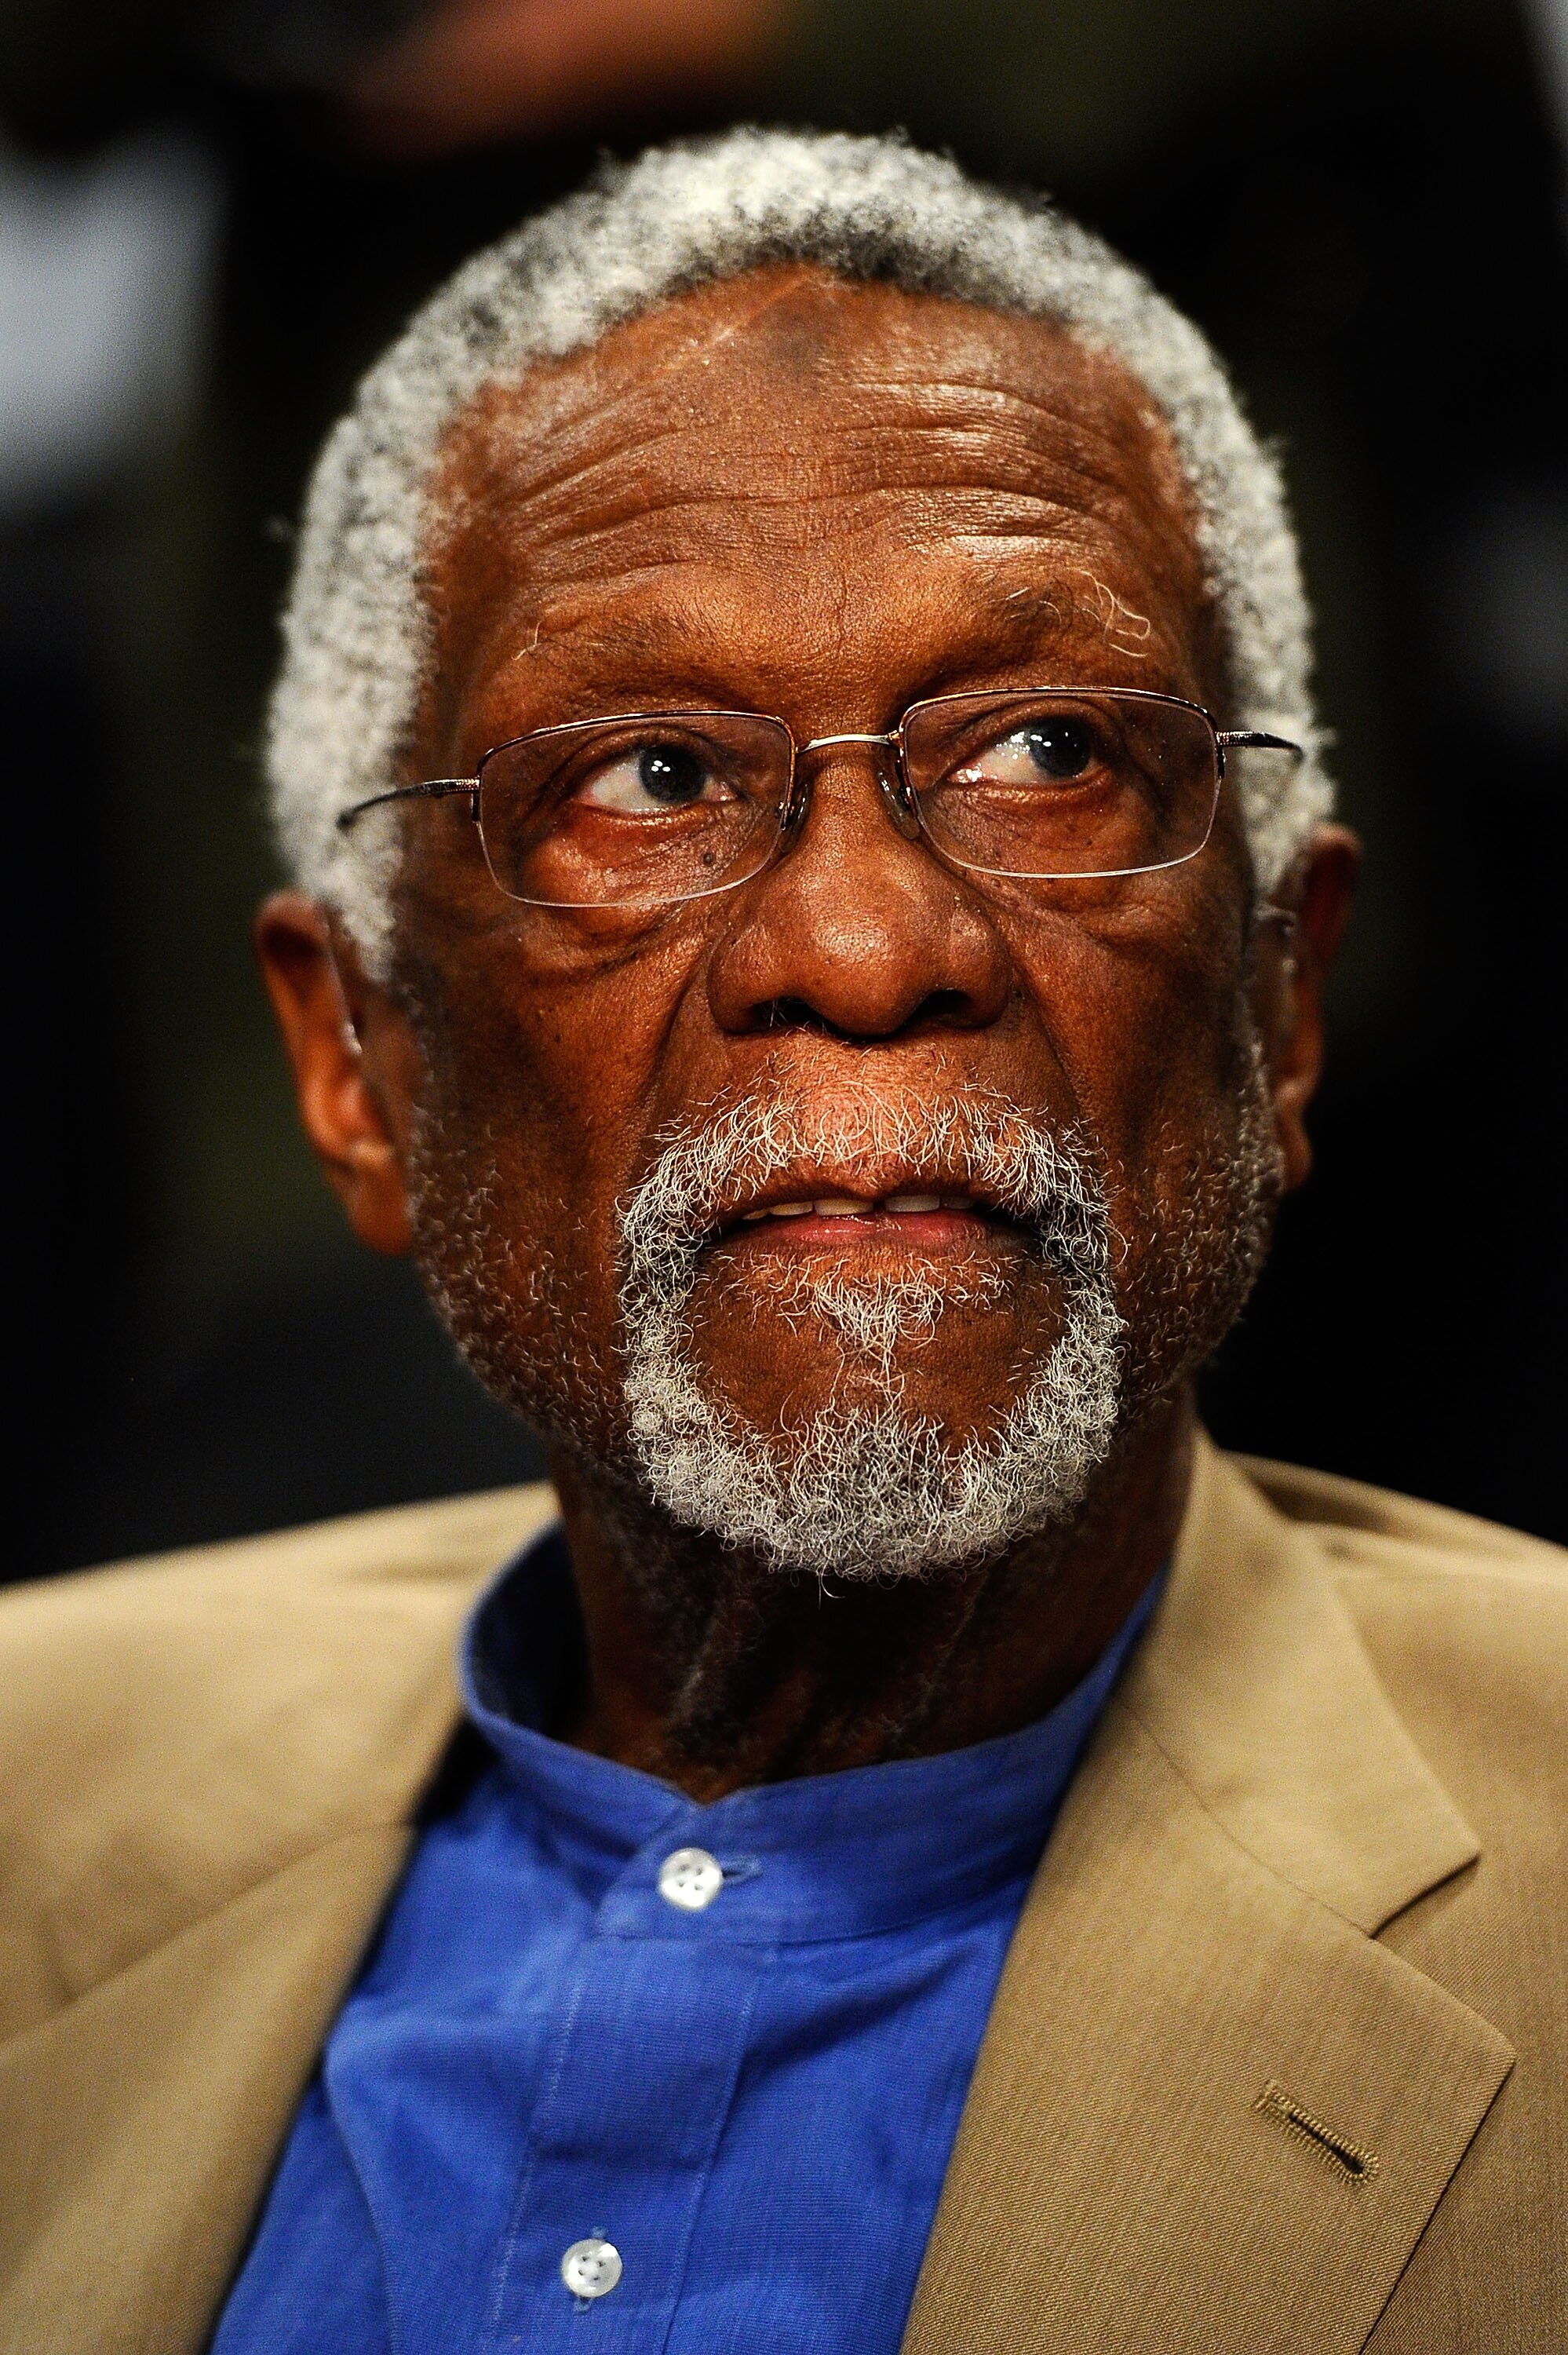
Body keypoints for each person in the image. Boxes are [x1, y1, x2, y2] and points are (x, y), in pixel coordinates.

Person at [2, 128, 1563, 2355]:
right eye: (646, 778)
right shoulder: (28, 1796)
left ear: (1280, 1001)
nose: (864, 937)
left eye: (1045, 749)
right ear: (361, 1062)